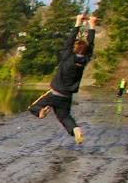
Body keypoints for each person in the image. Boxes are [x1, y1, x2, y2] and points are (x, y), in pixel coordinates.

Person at [28, 13, 97, 144]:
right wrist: (92, 25)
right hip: (67, 96)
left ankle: (42, 110)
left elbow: (69, 41)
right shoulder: (84, 61)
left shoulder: (67, 57)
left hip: (55, 92)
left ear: (74, 49)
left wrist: (78, 22)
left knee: (33, 107)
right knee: (65, 117)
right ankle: (75, 129)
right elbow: (91, 45)